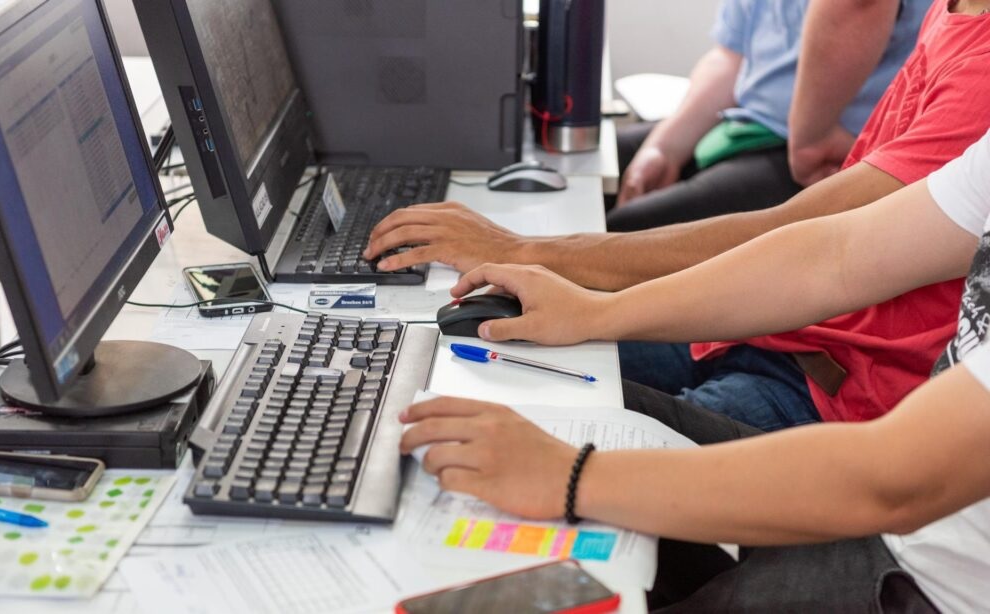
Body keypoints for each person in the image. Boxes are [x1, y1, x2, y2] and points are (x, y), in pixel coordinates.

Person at [399, 128, 990, 612]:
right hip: (899, 509)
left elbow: (898, 481)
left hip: (925, 577)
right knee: (514, 407)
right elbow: (836, 257)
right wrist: (598, 311)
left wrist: (572, 476)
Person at [367, 0, 990, 431]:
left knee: (525, 421)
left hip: (832, 384)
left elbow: (815, 243)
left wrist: (533, 251)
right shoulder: (956, 10)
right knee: (453, 358)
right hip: (780, 326)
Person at [608, 0, 925, 232]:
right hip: (749, 121)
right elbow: (732, 57)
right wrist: (664, 148)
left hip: (825, 153)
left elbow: (856, 5)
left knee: (625, 229)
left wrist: (811, 141)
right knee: (591, 161)